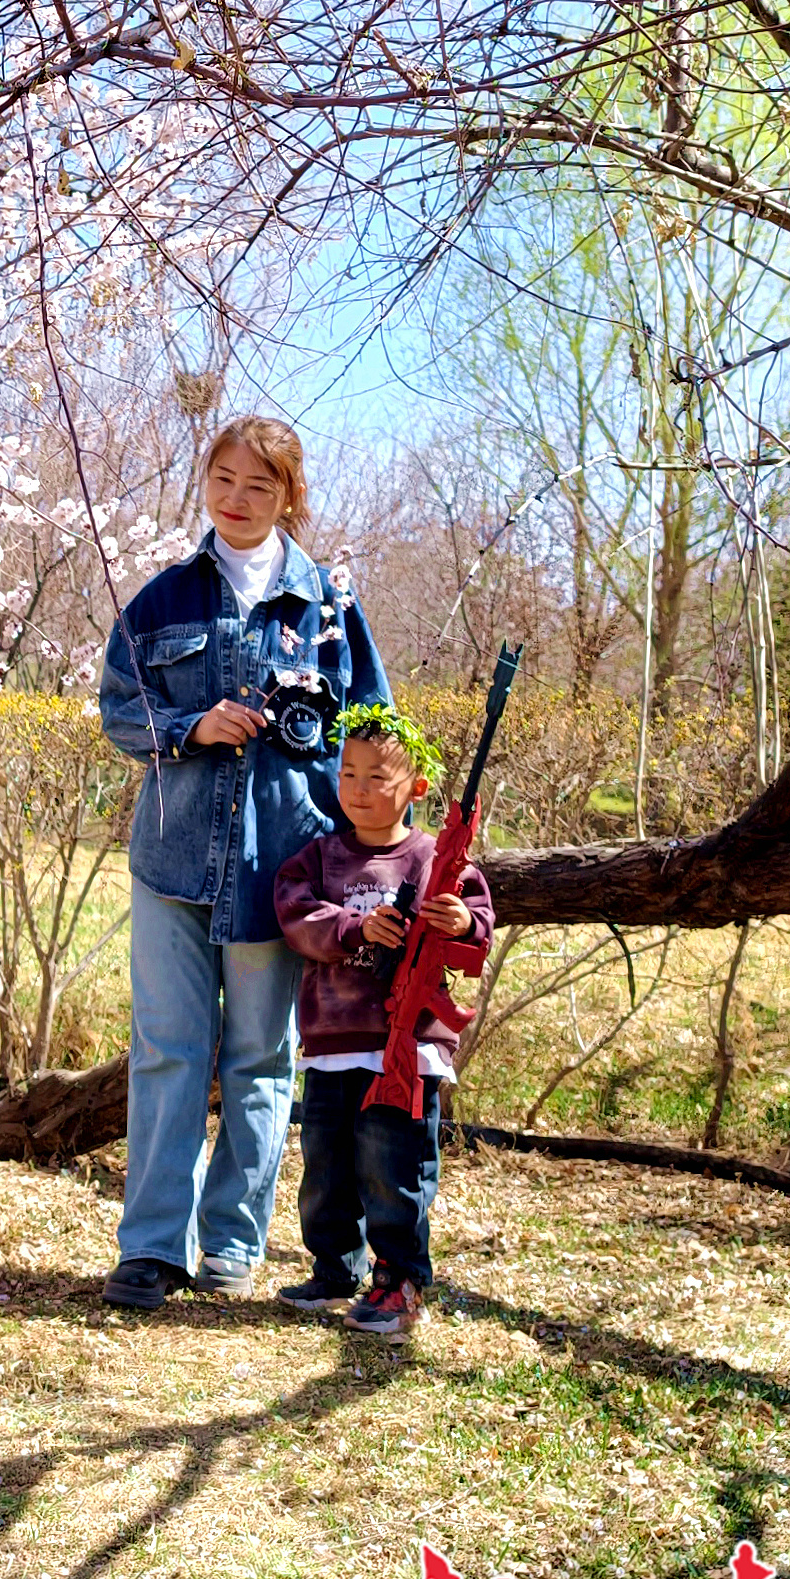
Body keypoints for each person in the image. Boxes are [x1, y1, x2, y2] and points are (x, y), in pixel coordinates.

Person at [94, 413, 387, 1311]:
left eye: (258, 484)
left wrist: (374, 852)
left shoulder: (329, 608)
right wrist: (192, 726)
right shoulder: (162, 600)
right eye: (222, 479)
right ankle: (153, 1247)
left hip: (281, 869)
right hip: (172, 862)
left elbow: (369, 727)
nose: (236, 498)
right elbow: (118, 711)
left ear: (288, 496)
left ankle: (229, 1243)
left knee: (261, 1058)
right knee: (166, 1052)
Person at [270, 702, 492, 1335]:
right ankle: (334, 1270)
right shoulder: (320, 859)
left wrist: (460, 922)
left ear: (416, 789)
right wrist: (355, 926)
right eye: (349, 775)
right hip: (332, 1043)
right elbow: (296, 915)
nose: (359, 790)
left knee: (394, 1168)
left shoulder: (431, 860)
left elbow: (476, 926)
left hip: (408, 1050)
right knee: (326, 1167)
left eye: (377, 778)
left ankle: (399, 1282)